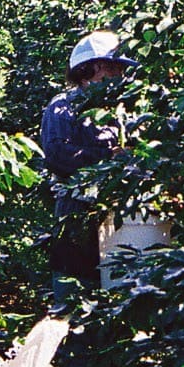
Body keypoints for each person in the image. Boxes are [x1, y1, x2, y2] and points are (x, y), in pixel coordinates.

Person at [40, 30, 135, 289]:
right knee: (75, 288)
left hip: (115, 215)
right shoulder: (63, 107)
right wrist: (108, 155)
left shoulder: (117, 110)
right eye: (113, 68)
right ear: (91, 69)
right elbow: (58, 154)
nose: (119, 76)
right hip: (77, 214)